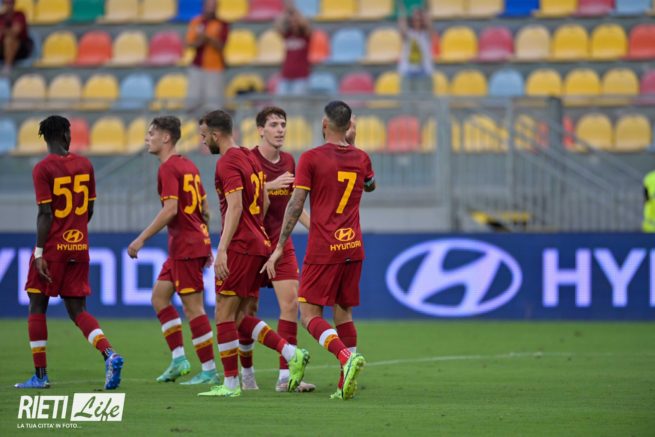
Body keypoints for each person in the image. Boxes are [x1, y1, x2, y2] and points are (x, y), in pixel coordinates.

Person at [262, 101, 376, 401]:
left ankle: (345, 358)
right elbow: (371, 185)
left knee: (309, 314)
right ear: (348, 126)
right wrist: (353, 144)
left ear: (325, 124)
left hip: (324, 247)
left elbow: (296, 204)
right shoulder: (361, 157)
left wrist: (279, 246)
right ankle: (343, 382)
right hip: (353, 245)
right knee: (343, 312)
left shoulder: (311, 158)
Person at [196, 109, 310, 398]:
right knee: (237, 315)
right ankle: (281, 356)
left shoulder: (228, 162)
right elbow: (264, 199)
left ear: (216, 134)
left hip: (241, 245)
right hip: (258, 241)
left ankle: (232, 383)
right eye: (274, 124)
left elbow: (235, 207)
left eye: (204, 136)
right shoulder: (248, 157)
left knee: (224, 313)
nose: (203, 141)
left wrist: (222, 248)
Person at [16, 115, 123, 390]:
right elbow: (89, 209)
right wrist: (74, 233)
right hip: (79, 247)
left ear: (45, 137)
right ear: (65, 135)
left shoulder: (43, 168)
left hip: (52, 249)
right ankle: (109, 354)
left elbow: (45, 213)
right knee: (78, 311)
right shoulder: (85, 165)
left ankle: (40, 376)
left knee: (37, 305)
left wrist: (39, 252)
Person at [127, 116, 218, 385]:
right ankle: (179, 359)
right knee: (159, 297)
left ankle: (210, 370)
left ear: (166, 138)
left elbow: (171, 210)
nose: (147, 138)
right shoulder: (188, 165)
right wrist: (205, 241)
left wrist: (141, 239)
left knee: (194, 309)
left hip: (186, 247)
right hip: (188, 244)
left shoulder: (168, 169)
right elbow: (205, 209)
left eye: (151, 133)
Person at [238, 106, 314, 393]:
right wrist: (268, 186)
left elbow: (294, 207)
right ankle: (247, 374)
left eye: (283, 124)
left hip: (281, 243)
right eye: (273, 124)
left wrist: (317, 230)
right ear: (260, 130)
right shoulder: (247, 159)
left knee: (291, 304)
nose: (280, 129)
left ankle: (286, 378)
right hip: (252, 245)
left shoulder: (290, 161)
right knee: (248, 310)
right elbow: (237, 201)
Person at [185, 0, 229, 111]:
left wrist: (207, 38)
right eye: (209, 6)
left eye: (213, 6)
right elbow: (190, 43)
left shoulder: (222, 24)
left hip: (215, 67)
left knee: (213, 104)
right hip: (197, 66)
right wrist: (201, 40)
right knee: (193, 102)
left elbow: (221, 45)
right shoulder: (196, 21)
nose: (211, 9)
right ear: (203, 6)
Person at [275, 2, 311, 96]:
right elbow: (278, 26)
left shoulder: (305, 36)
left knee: (297, 103)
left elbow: (306, 25)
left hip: (301, 76)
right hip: (286, 75)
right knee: (281, 101)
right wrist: (286, 12)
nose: (293, 23)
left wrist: (296, 13)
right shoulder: (287, 35)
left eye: (295, 21)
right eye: (291, 22)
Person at [397, 2, 433, 94]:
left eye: (419, 19)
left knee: (424, 100)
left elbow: (429, 25)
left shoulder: (425, 35)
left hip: (424, 73)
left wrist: (426, 11)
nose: (417, 21)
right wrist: (402, 13)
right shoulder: (409, 34)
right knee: (407, 100)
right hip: (408, 72)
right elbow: (402, 28)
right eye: (415, 19)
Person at [0, 0, 34, 75]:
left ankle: (7, 66)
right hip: (3, 48)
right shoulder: (1, 17)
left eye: (10, 2)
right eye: (6, 3)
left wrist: (3, 30)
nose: (9, 5)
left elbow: (15, 32)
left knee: (9, 40)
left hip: (21, 48)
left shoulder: (19, 15)